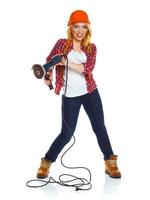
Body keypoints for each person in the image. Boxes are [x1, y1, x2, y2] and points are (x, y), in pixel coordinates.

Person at [36, 10, 121, 179]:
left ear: (88, 29)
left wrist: (67, 62)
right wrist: (47, 76)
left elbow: (87, 69)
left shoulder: (91, 47)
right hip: (70, 97)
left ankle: (110, 162)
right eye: (76, 26)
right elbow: (49, 61)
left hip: (90, 93)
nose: (80, 31)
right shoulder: (62, 44)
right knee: (66, 134)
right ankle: (46, 162)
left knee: (99, 128)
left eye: (84, 27)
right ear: (71, 28)